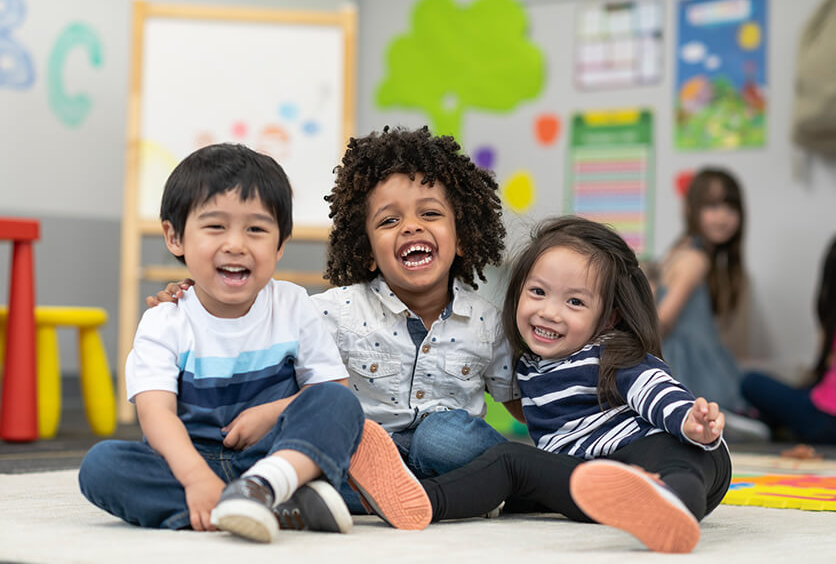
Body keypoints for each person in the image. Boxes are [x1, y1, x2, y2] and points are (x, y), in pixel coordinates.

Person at [152, 127, 522, 514]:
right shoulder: (333, 311)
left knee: (443, 437)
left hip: (449, 454)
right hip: (361, 457)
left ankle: (446, 492)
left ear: (461, 237)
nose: (411, 226)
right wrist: (197, 300)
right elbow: (255, 326)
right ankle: (433, 498)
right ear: (368, 253)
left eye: (430, 213)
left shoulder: (487, 322)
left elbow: (522, 403)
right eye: (388, 221)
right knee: (330, 454)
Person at [78, 143, 431, 544]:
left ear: (280, 245)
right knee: (101, 467)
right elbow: (155, 414)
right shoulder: (164, 320)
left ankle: (264, 488)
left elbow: (330, 390)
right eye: (215, 226)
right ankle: (276, 505)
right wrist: (195, 477)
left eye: (256, 229)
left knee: (341, 405)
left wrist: (270, 414)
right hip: (191, 461)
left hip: (275, 454)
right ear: (174, 237)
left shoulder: (293, 304)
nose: (236, 244)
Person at [418, 216, 732, 554]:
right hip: (594, 480)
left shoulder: (608, 351)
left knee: (677, 463)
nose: (550, 312)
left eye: (575, 302)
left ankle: (670, 511)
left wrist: (687, 420)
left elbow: (652, 387)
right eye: (538, 292)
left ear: (608, 317)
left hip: (665, 445)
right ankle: (420, 500)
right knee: (509, 459)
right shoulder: (523, 366)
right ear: (518, 291)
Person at [654, 167, 767, 438]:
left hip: (696, 365)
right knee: (758, 428)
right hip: (690, 372)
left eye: (730, 208)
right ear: (692, 209)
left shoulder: (681, 249)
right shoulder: (696, 259)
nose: (723, 217)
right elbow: (663, 319)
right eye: (712, 206)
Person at [741, 236, 836, 443]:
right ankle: (767, 423)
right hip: (822, 412)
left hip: (824, 419)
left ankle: (763, 423)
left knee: (749, 381)